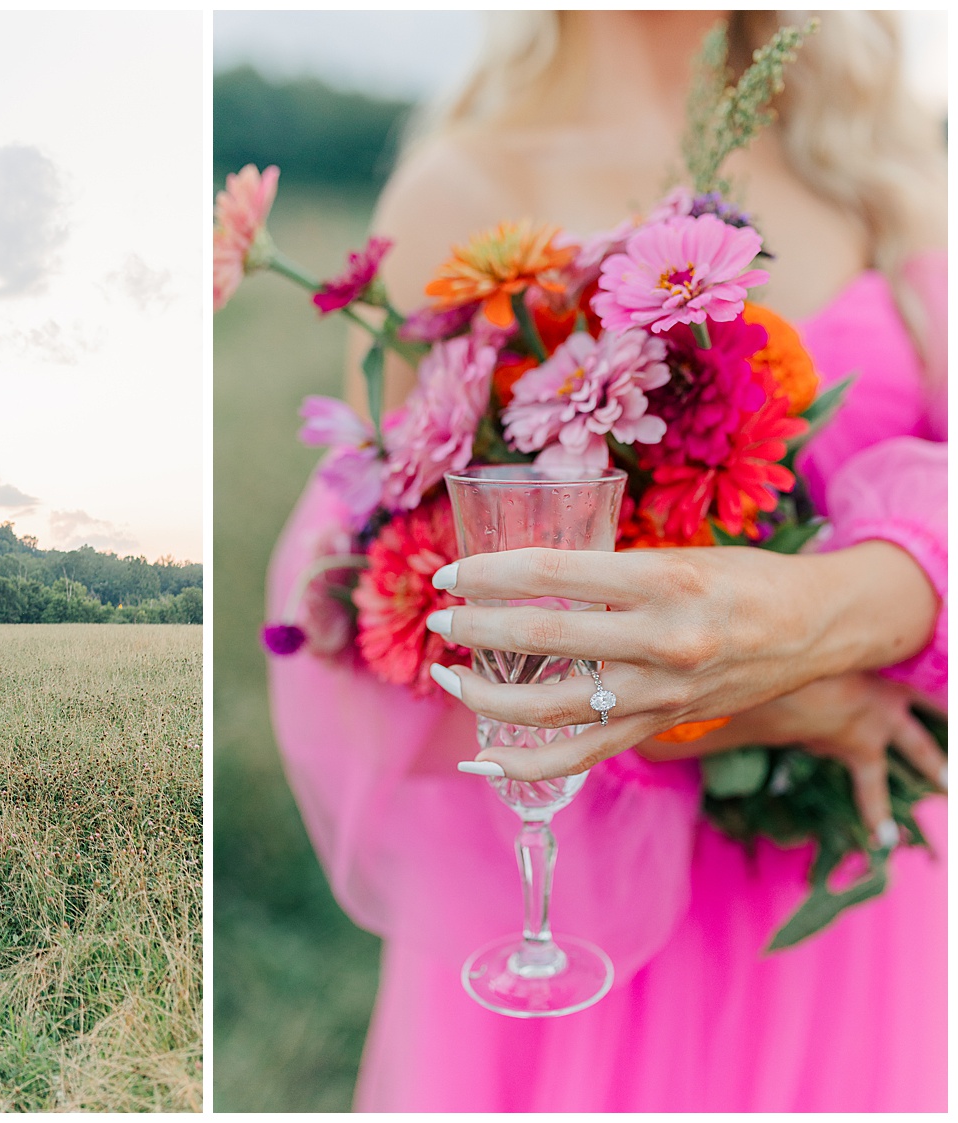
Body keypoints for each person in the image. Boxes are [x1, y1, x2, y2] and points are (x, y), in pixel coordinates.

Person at [265, 10, 946, 1112]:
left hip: (859, 883)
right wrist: (763, 708)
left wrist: (849, 617)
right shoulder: (458, 193)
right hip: (593, 919)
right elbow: (398, 637)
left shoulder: (879, 171)